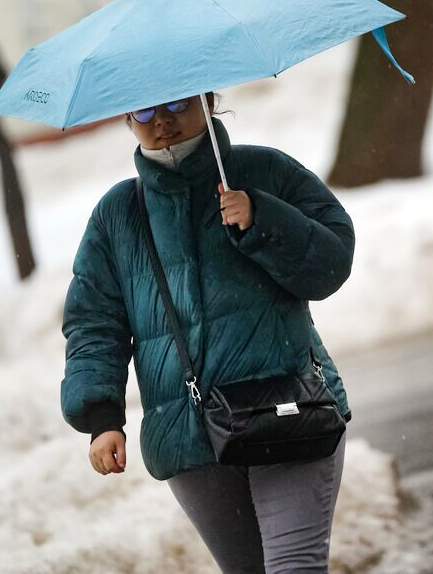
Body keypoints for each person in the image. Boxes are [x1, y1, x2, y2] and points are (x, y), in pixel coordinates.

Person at [60, 92, 353, 573]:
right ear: (128, 118)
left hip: (288, 411)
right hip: (189, 433)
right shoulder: (118, 214)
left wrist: (262, 218)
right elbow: (94, 322)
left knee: (294, 567)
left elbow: (332, 263)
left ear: (208, 98)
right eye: (146, 112)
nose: (163, 123)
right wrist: (101, 416)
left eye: (176, 105)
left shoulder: (265, 172)